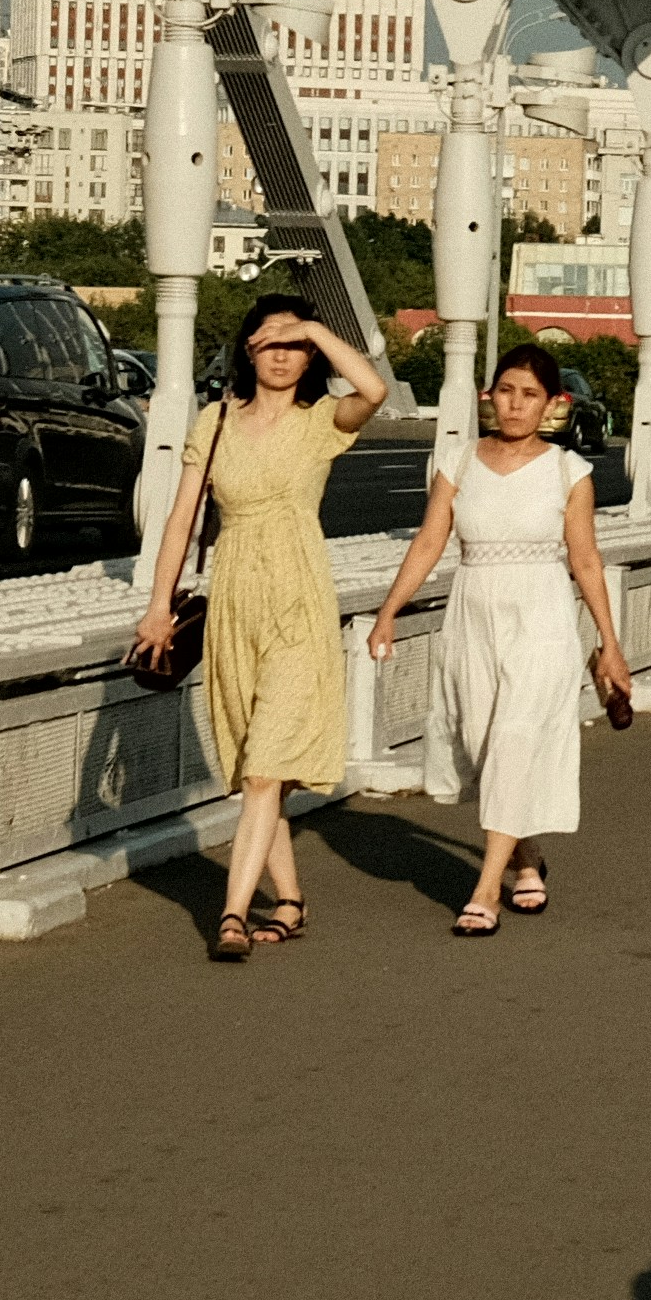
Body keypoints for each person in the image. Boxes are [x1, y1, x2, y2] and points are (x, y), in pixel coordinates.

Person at [130, 284, 390, 961]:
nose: (283, 353)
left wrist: (314, 326)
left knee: (269, 763)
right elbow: (181, 520)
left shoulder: (322, 421)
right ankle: (292, 900)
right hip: (234, 599)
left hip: (298, 598)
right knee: (256, 770)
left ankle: (233, 914)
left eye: (296, 344)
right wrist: (159, 605)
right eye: (271, 340)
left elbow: (375, 388)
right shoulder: (213, 422)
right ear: (248, 349)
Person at [365, 343, 638, 934]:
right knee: (487, 741)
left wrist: (609, 644)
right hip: (474, 612)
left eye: (530, 395)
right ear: (490, 396)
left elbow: (585, 561)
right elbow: (429, 543)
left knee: (515, 737)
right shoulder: (458, 464)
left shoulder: (570, 472)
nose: (516, 405)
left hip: (540, 614)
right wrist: (389, 611)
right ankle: (527, 856)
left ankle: (485, 890)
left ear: (551, 405)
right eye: (507, 391)